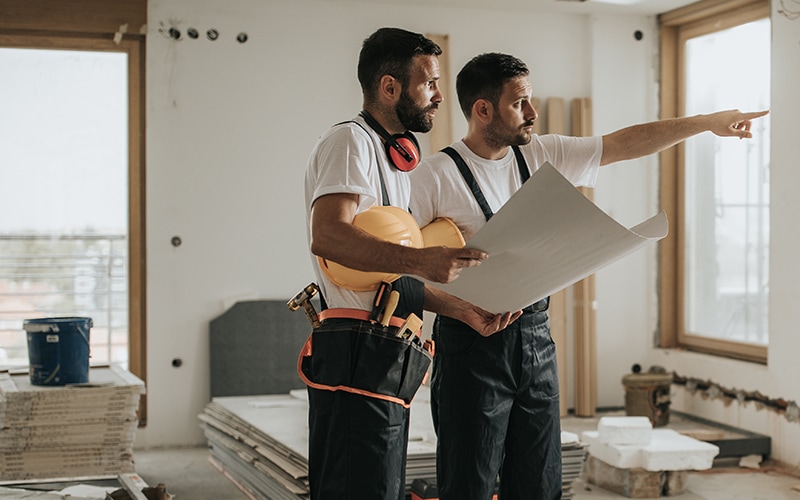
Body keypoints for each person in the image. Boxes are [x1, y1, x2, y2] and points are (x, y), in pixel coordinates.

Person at [409, 51, 767, 500]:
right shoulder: (433, 177)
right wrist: (454, 308)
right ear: (483, 110)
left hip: (536, 338)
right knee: (469, 483)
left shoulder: (542, 153)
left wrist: (706, 123)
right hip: (470, 347)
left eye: (531, 99)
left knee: (540, 483)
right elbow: (400, 272)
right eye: (519, 103)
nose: (532, 113)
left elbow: (622, 144)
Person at [301, 29, 520, 500]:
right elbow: (330, 235)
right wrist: (422, 257)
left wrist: (462, 310)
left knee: (381, 486)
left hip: (387, 353)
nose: (440, 96)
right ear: (389, 87)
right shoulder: (350, 143)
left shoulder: (393, 162)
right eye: (430, 83)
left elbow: (390, 277)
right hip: (355, 351)